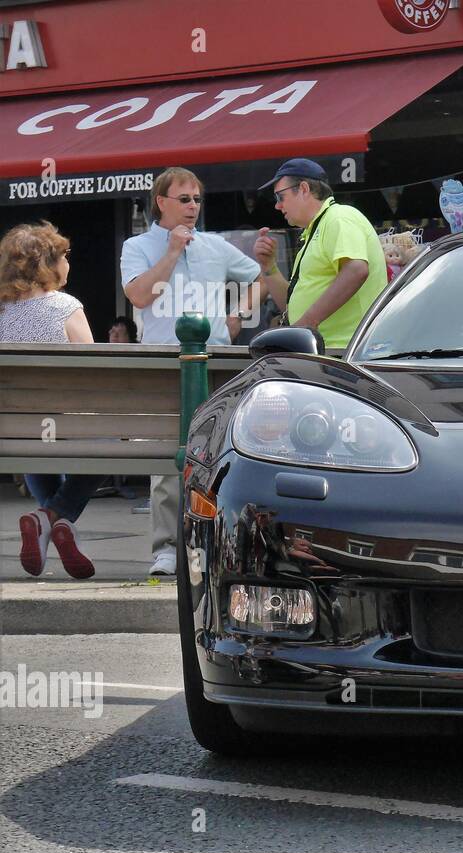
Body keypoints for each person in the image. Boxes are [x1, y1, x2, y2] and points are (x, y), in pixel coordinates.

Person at [120, 166, 262, 576]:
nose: (193, 207)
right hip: (164, 360)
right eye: (184, 199)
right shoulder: (138, 245)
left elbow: (256, 277)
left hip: (214, 358)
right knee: (166, 452)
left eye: (197, 199)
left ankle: (212, 540)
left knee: (216, 452)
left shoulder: (215, 245)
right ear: (161, 202)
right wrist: (171, 253)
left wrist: (239, 317)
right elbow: (139, 294)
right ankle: (166, 547)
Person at [0, 222, 99, 578]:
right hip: (64, 424)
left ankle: (48, 522)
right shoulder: (65, 306)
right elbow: (93, 372)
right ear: (47, 263)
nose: (69, 264)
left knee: (34, 435)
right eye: (66, 256)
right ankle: (50, 518)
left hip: (14, 431)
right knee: (110, 446)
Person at [252, 158, 386, 349]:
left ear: (304, 189)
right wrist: (268, 267)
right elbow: (291, 310)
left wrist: (305, 325)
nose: (277, 206)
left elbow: (356, 270)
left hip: (346, 352)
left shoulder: (339, 217)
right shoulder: (317, 228)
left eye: (280, 197)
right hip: (333, 352)